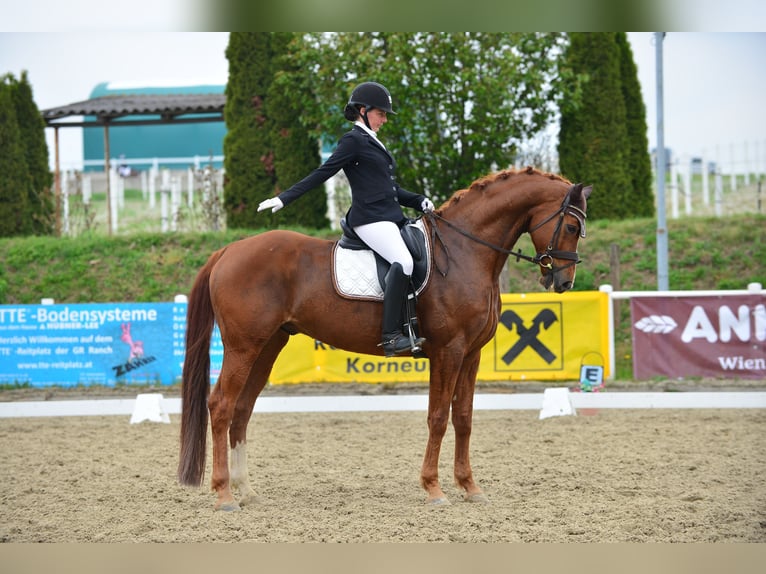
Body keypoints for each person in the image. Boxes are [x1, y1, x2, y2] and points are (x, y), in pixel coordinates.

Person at [257, 81, 434, 356]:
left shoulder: (373, 141)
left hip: (388, 217)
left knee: (414, 257)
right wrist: (284, 198)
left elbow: (389, 189)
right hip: (369, 220)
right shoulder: (353, 140)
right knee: (404, 261)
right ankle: (391, 337)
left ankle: (410, 325)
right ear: (363, 111)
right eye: (381, 113)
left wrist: (417, 199)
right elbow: (324, 172)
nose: (384, 119)